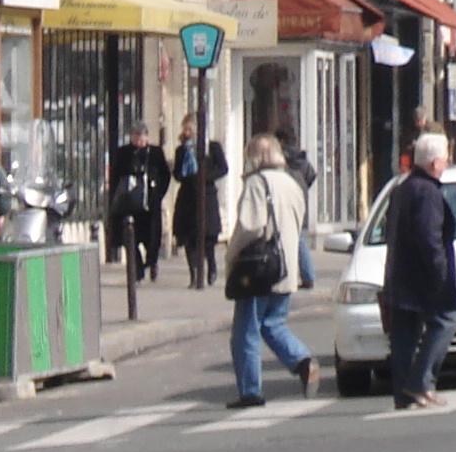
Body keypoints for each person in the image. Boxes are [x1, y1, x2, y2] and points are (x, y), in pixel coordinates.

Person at [223, 134, 317, 409]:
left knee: (246, 331)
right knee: (273, 323)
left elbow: (250, 227)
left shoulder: (256, 183)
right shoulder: (292, 183)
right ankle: (301, 360)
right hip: (285, 267)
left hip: (259, 269)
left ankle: (250, 391)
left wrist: (231, 255)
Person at [380, 129, 456, 412]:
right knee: (446, 321)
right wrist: (440, 273)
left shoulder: (403, 187)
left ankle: (404, 393)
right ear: (433, 163)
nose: (447, 164)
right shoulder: (427, 192)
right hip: (422, 277)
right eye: (445, 159)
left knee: (404, 336)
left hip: (400, 274)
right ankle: (420, 383)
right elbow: (429, 237)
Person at [107, 121, 169, 282]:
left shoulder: (155, 153)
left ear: (147, 137)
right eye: (136, 137)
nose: (139, 140)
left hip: (150, 204)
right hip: (129, 204)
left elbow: (165, 175)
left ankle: (152, 263)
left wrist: (158, 195)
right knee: (130, 238)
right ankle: (138, 270)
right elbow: (115, 177)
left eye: (142, 137)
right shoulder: (123, 153)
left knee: (152, 239)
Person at [172, 116, 227, 288]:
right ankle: (194, 274)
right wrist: (185, 175)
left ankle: (211, 266)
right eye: (185, 129)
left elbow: (223, 168)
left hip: (206, 195)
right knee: (189, 237)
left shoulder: (212, 147)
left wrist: (205, 177)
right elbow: (176, 174)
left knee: (208, 236)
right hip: (188, 197)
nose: (187, 133)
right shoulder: (182, 150)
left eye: (190, 129)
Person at [279, 130, 320, 290]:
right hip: (300, 200)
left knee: (294, 240)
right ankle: (306, 275)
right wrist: (302, 188)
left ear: (281, 141)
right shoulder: (301, 159)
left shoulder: (282, 158)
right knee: (299, 237)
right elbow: (312, 175)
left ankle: (301, 275)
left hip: (287, 201)